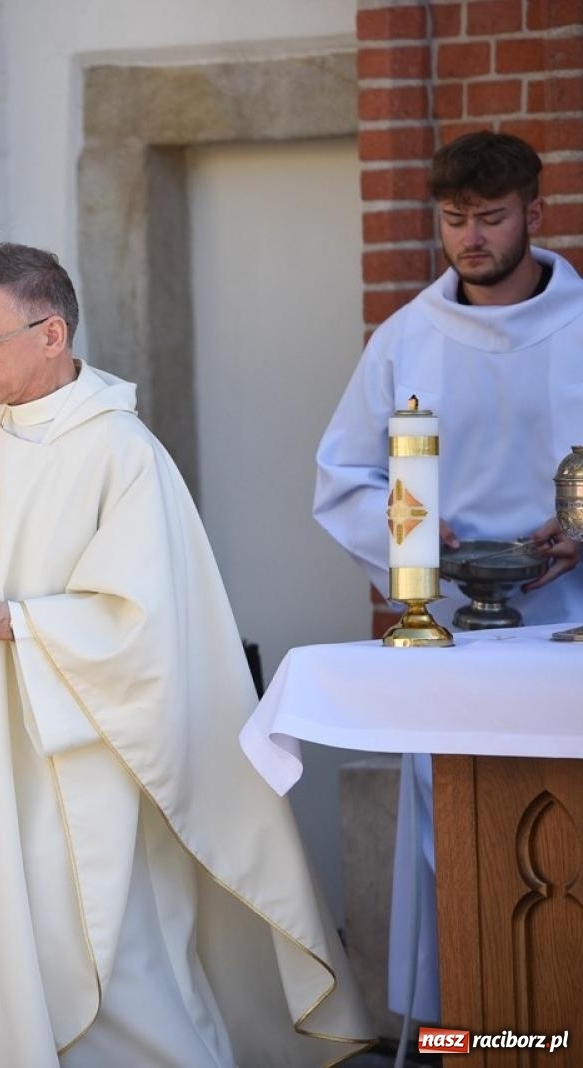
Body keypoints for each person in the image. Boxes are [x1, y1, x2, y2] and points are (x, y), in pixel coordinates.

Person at [0, 166, 371, 1066]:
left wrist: (9, 621)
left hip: (70, 757)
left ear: (52, 333)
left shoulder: (120, 453)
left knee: (107, 960)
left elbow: (148, 626)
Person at [314, 129, 583, 1024]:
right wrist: (418, 540)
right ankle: (466, 1027)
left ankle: (561, 1021)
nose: (471, 238)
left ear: (536, 215)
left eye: (492, 218)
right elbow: (343, 479)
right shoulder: (406, 339)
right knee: (458, 837)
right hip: (457, 638)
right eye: (455, 219)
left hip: (576, 626)